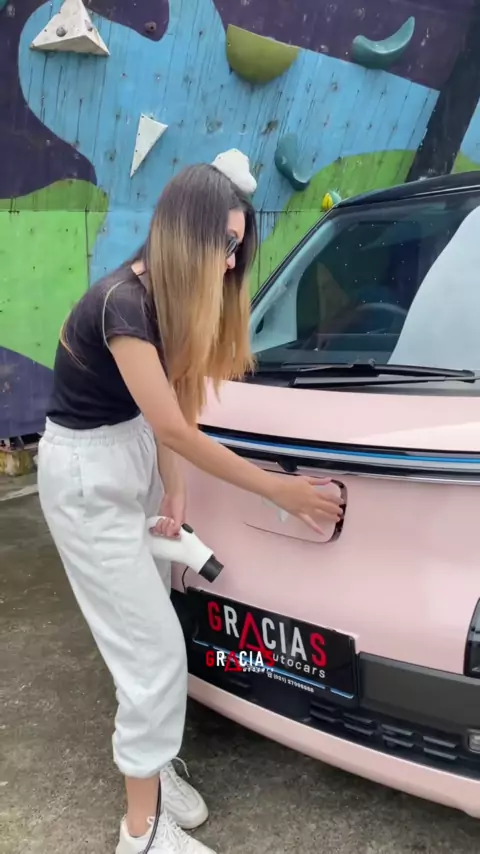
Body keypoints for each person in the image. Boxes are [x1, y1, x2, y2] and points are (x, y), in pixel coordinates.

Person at [37, 163, 344, 854]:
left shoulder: (162, 299)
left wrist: (171, 488)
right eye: (226, 243)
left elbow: (168, 406)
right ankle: (141, 835)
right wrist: (279, 491)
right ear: (186, 231)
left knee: (148, 636)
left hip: (128, 455)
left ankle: (150, 766)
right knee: (152, 652)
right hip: (88, 478)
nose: (233, 261)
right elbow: (175, 427)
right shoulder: (122, 305)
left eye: (238, 246)